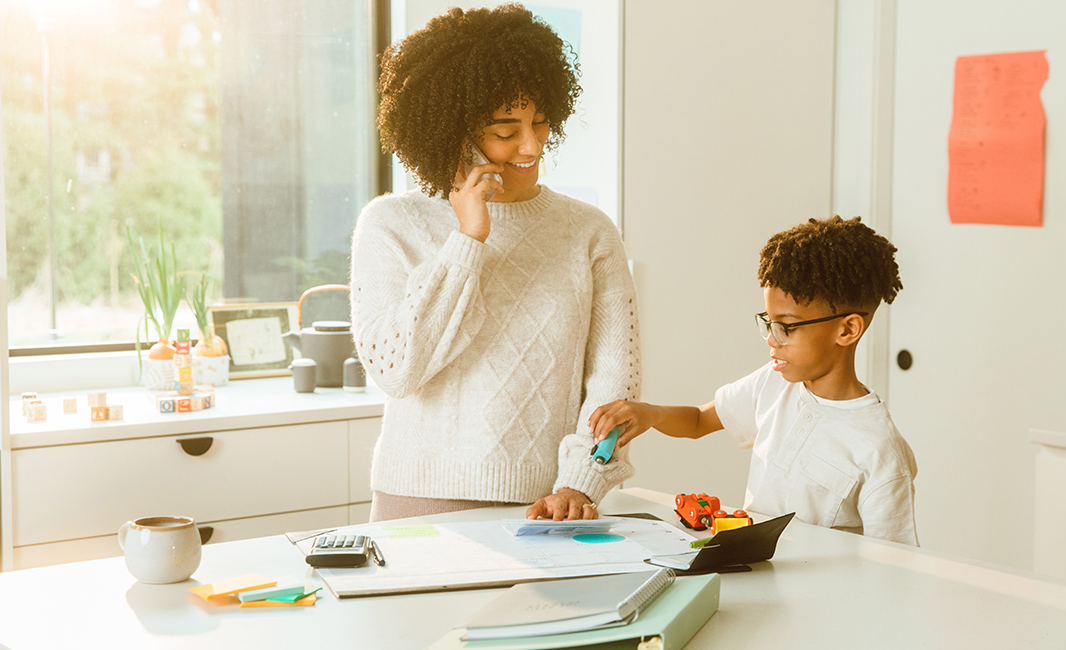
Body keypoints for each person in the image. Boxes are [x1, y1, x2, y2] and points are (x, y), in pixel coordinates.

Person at [350, 4, 638, 523]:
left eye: (541, 123)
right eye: (507, 131)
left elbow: (615, 379)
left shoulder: (588, 230)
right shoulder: (392, 223)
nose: (531, 146)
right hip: (415, 505)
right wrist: (468, 240)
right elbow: (397, 370)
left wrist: (582, 481)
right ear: (453, 131)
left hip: (549, 506)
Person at [588, 216, 918, 544]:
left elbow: (895, 564)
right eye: (768, 322)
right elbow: (700, 420)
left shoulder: (880, 451)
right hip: (753, 567)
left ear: (846, 330)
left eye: (786, 327)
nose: (771, 340)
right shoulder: (775, 383)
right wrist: (650, 414)